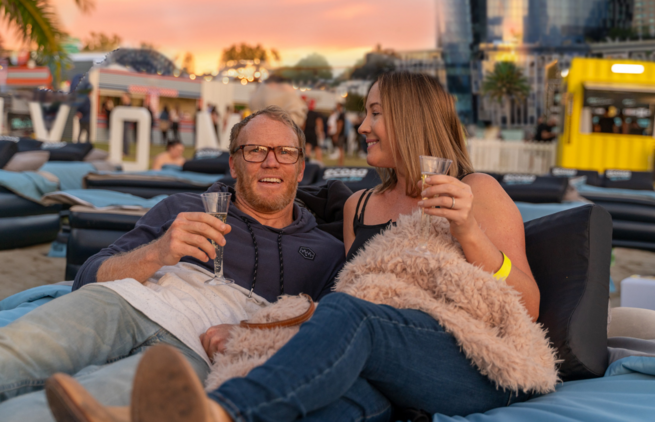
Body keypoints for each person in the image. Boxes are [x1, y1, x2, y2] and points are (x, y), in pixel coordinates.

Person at [46, 72, 545, 422]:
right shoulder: (360, 207)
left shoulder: (477, 190)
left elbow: (526, 305)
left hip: (468, 360)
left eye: (374, 113)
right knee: (332, 397)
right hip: (388, 373)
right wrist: (248, 331)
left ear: (411, 118)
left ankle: (218, 412)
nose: (363, 126)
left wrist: (469, 234)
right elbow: (346, 300)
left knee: (353, 315)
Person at [0, 106, 345, 422]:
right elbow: (89, 276)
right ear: (233, 164)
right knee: (15, 354)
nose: (271, 162)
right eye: (255, 150)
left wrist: (250, 334)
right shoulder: (183, 206)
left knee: (73, 408)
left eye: (284, 152)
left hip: (195, 349)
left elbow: (329, 330)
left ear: (300, 168)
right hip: (126, 302)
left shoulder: (327, 250)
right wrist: (158, 253)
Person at [302, 98, 324, 163]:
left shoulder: (306, 113)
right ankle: (319, 161)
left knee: (307, 146)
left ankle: (307, 161)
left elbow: (303, 124)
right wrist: (320, 132)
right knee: (317, 147)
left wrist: (302, 131)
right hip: (313, 132)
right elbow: (319, 123)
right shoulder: (316, 114)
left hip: (307, 131)